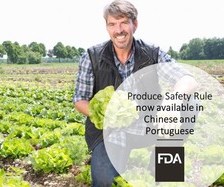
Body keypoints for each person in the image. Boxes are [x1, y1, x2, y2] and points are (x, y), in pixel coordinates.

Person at [73, 0, 198, 186]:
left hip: (148, 125)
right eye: (112, 24)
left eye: (123, 22)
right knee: (105, 182)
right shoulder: (92, 56)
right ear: (107, 27)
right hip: (110, 132)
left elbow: (188, 79)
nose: (118, 30)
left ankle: (161, 169)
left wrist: (172, 103)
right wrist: (106, 114)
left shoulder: (152, 53)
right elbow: (80, 100)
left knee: (189, 103)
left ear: (135, 24)